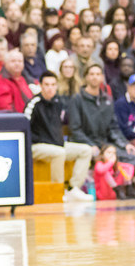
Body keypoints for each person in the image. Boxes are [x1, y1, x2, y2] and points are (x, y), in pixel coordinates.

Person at [67, 65, 135, 198]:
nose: (95, 77)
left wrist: (124, 144)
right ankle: (115, 189)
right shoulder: (77, 99)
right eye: (91, 74)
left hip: (105, 144)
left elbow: (113, 127)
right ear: (86, 77)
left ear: (102, 77)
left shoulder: (107, 99)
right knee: (104, 157)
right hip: (86, 143)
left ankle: (127, 187)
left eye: (98, 74)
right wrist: (91, 145)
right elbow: (75, 129)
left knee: (130, 154)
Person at [25, 71, 94, 202]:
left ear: (56, 86)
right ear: (40, 86)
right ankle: (58, 191)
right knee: (59, 153)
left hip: (56, 144)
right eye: (46, 84)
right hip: (36, 146)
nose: (50, 88)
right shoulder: (34, 103)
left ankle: (74, 188)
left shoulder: (58, 103)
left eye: (53, 85)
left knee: (86, 150)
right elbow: (25, 126)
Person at [0, 49, 35, 113]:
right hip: (15, 117)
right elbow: (6, 109)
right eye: (13, 61)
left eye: (20, 61)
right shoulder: (0, 81)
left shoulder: (22, 79)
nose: (17, 64)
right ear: (5, 63)